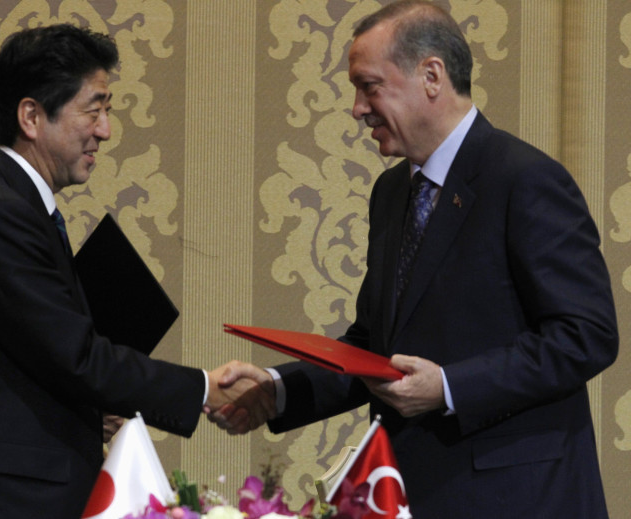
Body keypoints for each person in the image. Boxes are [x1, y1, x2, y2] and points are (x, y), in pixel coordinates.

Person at [209, 1, 619, 517]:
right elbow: (375, 348)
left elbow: (587, 335)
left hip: (518, 497)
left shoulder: (524, 179)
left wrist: (447, 387)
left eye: (369, 85)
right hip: (415, 493)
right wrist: (279, 389)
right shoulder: (391, 192)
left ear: (431, 75)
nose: (357, 107)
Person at [0, 24, 273, 519]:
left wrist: (87, 412)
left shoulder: (9, 201)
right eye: (93, 110)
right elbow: (75, 357)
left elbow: (31, 361)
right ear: (32, 116)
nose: (105, 129)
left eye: (107, 111)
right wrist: (205, 386)